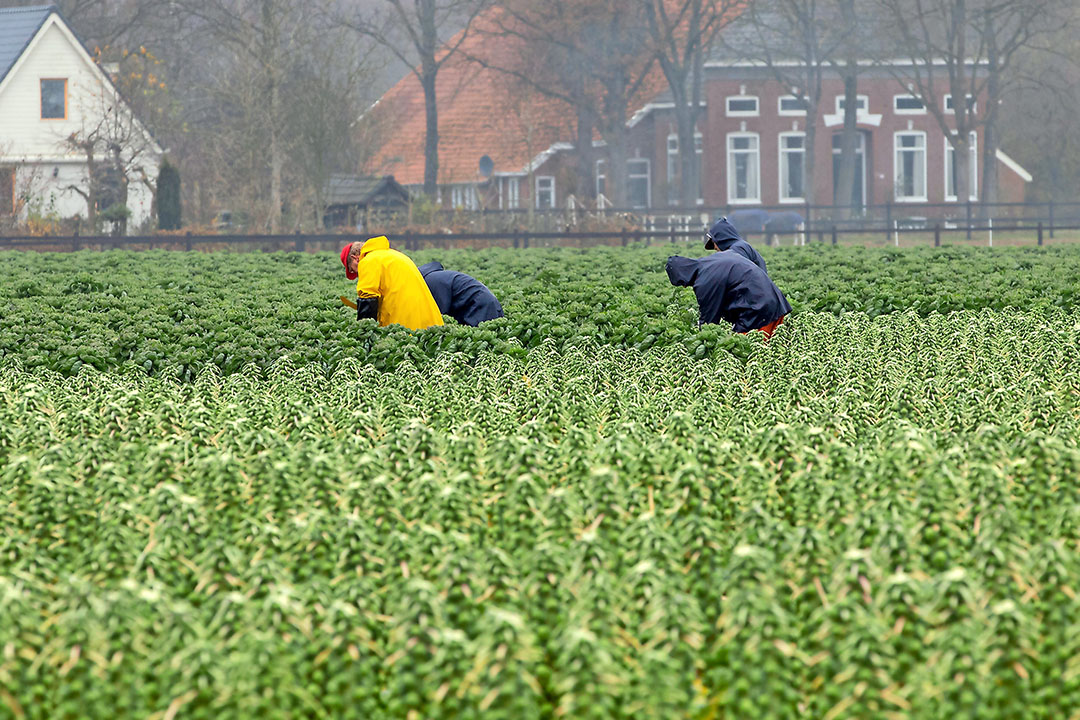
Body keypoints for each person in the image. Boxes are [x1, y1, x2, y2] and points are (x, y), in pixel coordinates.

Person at [666, 252, 791, 338]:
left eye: (682, 282)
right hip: (773, 302)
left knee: (748, 352)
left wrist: (701, 339)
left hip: (759, 311)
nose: (684, 286)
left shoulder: (705, 280)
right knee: (769, 350)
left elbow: (709, 319)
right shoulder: (710, 263)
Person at [340, 237, 443, 331]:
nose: (356, 273)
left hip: (406, 321)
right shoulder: (393, 255)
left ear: (355, 258)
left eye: (351, 269)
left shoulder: (368, 261)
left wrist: (363, 331)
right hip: (428, 318)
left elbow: (368, 298)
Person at [417, 261, 505, 327]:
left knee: (479, 341)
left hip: (480, 306)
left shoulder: (431, 281)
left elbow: (440, 310)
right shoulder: (433, 277)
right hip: (479, 304)